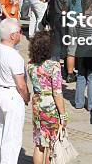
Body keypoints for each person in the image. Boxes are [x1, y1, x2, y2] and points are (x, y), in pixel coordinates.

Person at [27, 32, 67, 164]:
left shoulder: (30, 65)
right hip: (50, 107)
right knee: (52, 143)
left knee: (39, 142)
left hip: (37, 104)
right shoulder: (54, 66)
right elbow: (57, 92)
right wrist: (63, 115)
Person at [0, 18, 29, 164]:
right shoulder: (14, 55)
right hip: (12, 95)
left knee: (1, 133)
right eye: (20, 32)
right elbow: (21, 84)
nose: (21, 35)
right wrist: (26, 98)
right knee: (12, 138)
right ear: (13, 35)